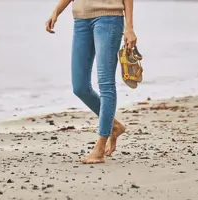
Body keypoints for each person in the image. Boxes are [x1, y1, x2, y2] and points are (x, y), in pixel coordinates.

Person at [45, 0, 137, 164]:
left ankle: (100, 148)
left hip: (109, 18)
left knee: (106, 83)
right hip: (81, 19)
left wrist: (129, 27)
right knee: (80, 87)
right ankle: (114, 126)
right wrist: (56, 11)